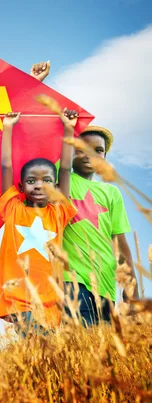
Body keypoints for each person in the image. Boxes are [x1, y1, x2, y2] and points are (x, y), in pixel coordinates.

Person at [0, 109, 78, 334]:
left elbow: (67, 169)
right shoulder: (13, 209)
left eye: (47, 181)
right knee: (31, 341)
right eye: (31, 181)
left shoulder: (58, 212)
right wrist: (8, 127)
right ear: (21, 187)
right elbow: (6, 167)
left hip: (51, 298)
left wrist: (69, 128)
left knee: (48, 354)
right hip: (18, 296)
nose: (39, 185)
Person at [63, 125, 139, 325]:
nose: (90, 155)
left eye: (98, 151)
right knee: (79, 342)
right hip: (73, 280)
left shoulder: (111, 194)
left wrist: (132, 288)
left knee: (99, 347)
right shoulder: (61, 181)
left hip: (106, 284)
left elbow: (121, 244)